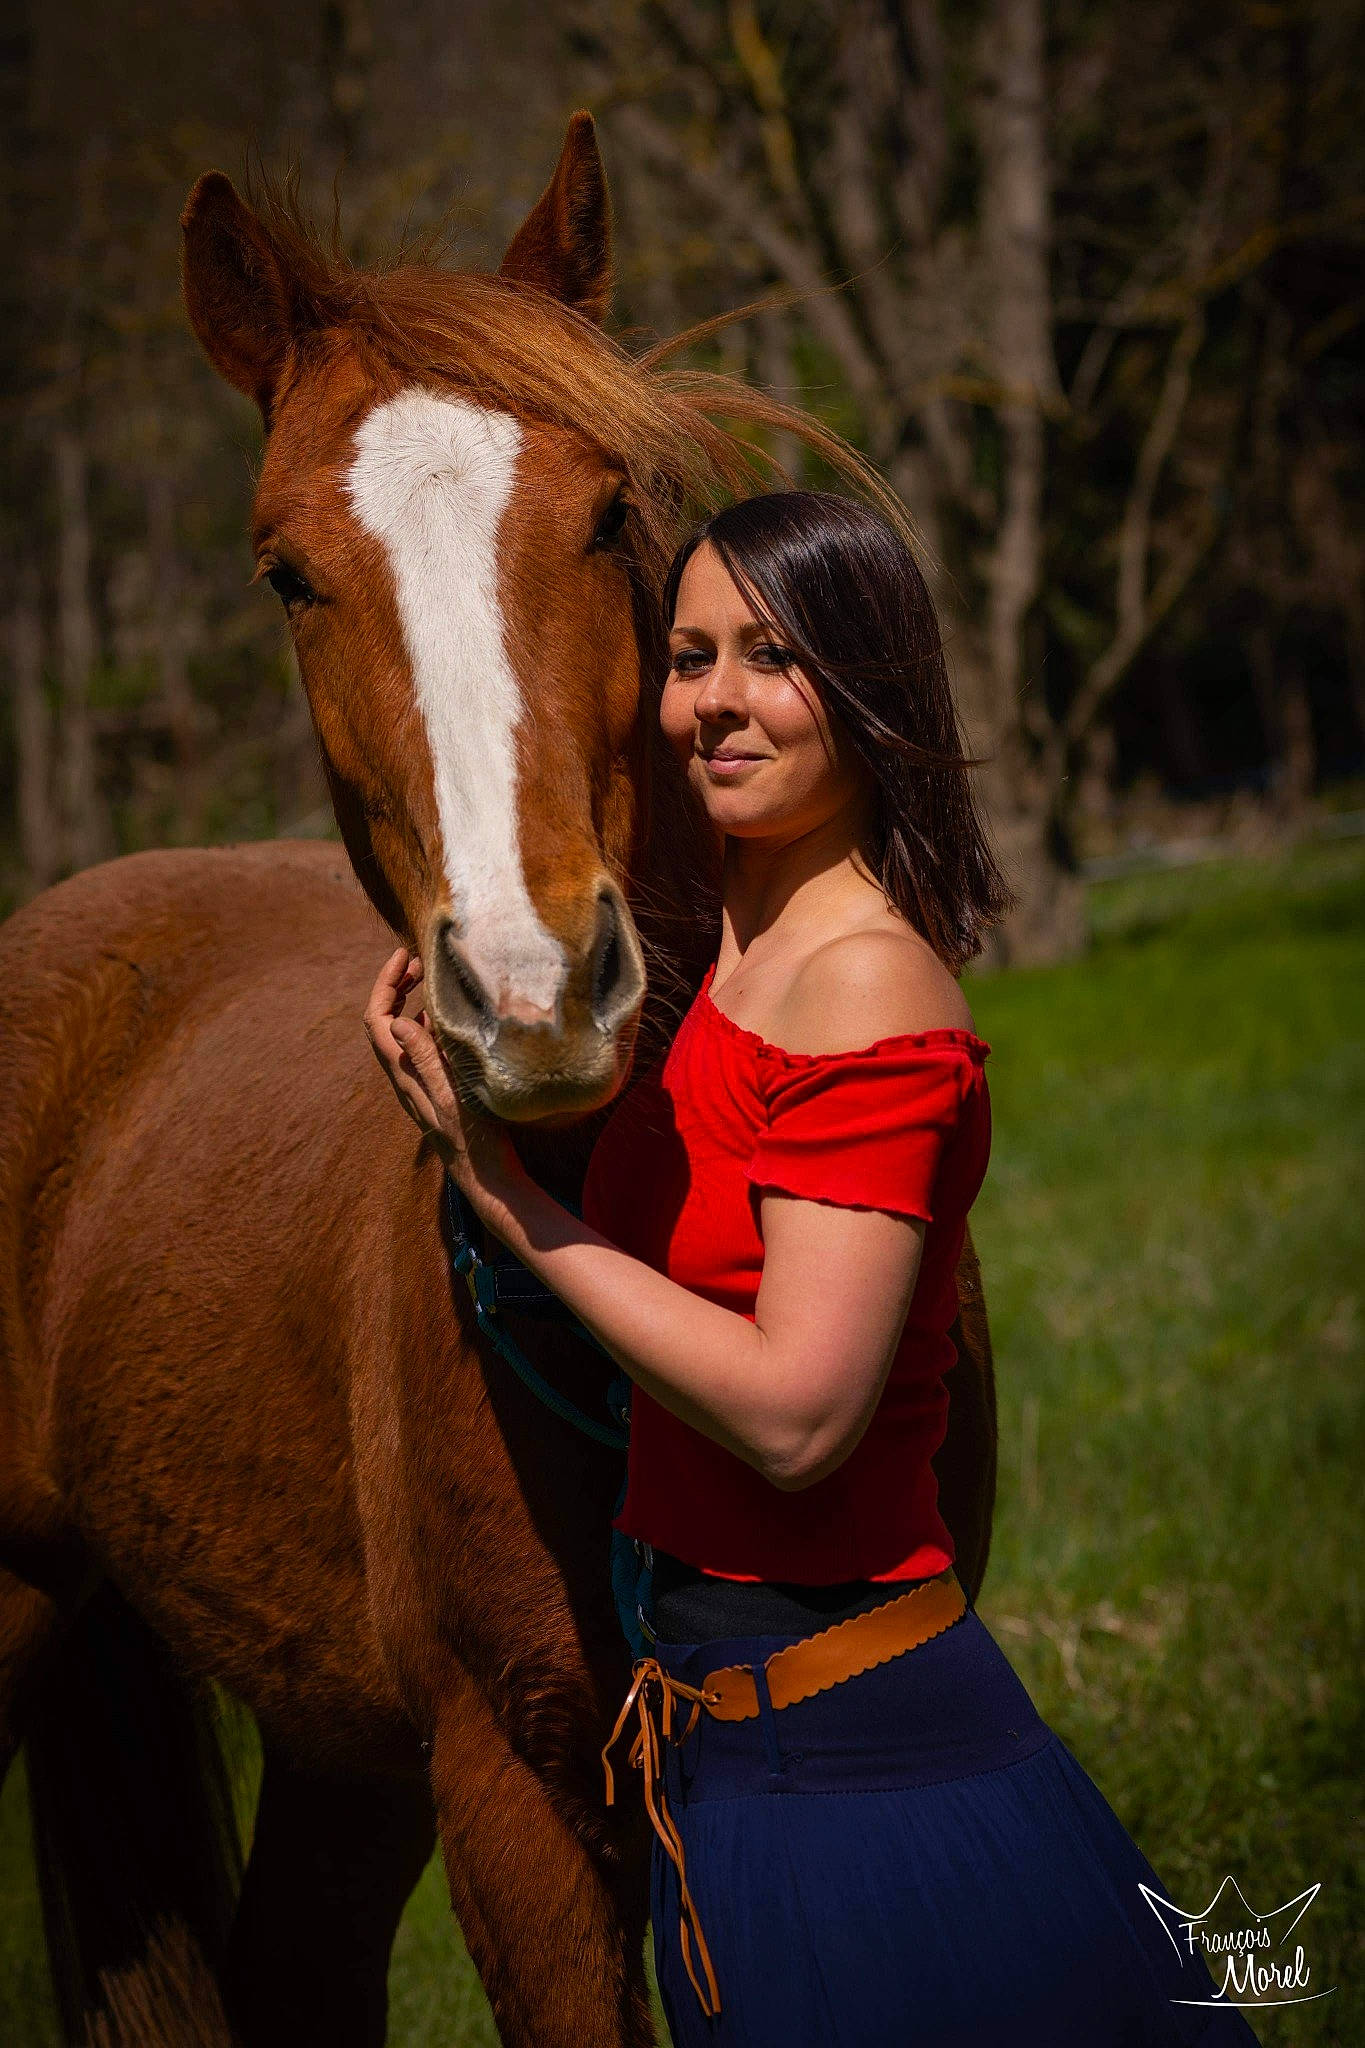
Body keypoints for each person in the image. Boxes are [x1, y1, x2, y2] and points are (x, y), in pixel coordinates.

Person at [366, 491, 1259, 2046]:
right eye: (689, 655)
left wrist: (501, 1197)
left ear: (867, 685)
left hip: (861, 1763)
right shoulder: (725, 951)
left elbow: (797, 1415)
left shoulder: (861, 987)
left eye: (771, 658)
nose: (713, 698)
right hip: (737, 1750)